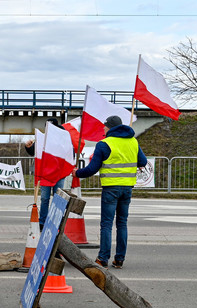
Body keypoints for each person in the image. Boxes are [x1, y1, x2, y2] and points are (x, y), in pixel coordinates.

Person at [75, 115, 147, 269]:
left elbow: (92, 169)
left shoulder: (104, 144)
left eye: (105, 126)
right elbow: (143, 161)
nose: (103, 128)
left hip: (111, 189)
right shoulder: (133, 141)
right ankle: (119, 259)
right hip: (127, 188)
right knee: (122, 223)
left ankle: (103, 259)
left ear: (111, 127)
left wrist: (77, 173)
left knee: (106, 224)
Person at [25, 117, 78, 230]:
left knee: (56, 199)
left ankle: (55, 221)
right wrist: (28, 147)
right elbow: (35, 150)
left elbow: (70, 154)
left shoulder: (64, 139)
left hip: (59, 175)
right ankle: (43, 222)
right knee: (45, 199)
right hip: (46, 175)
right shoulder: (43, 139)